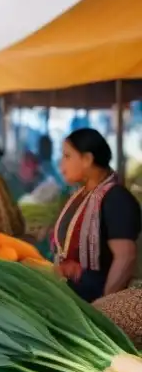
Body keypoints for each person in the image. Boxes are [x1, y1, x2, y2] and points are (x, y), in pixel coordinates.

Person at [53, 128, 141, 302]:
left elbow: (125, 257)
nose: (61, 166)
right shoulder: (82, 195)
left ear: (87, 159)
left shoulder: (117, 199)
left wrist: (104, 306)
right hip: (76, 294)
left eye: (67, 156)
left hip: (96, 300)